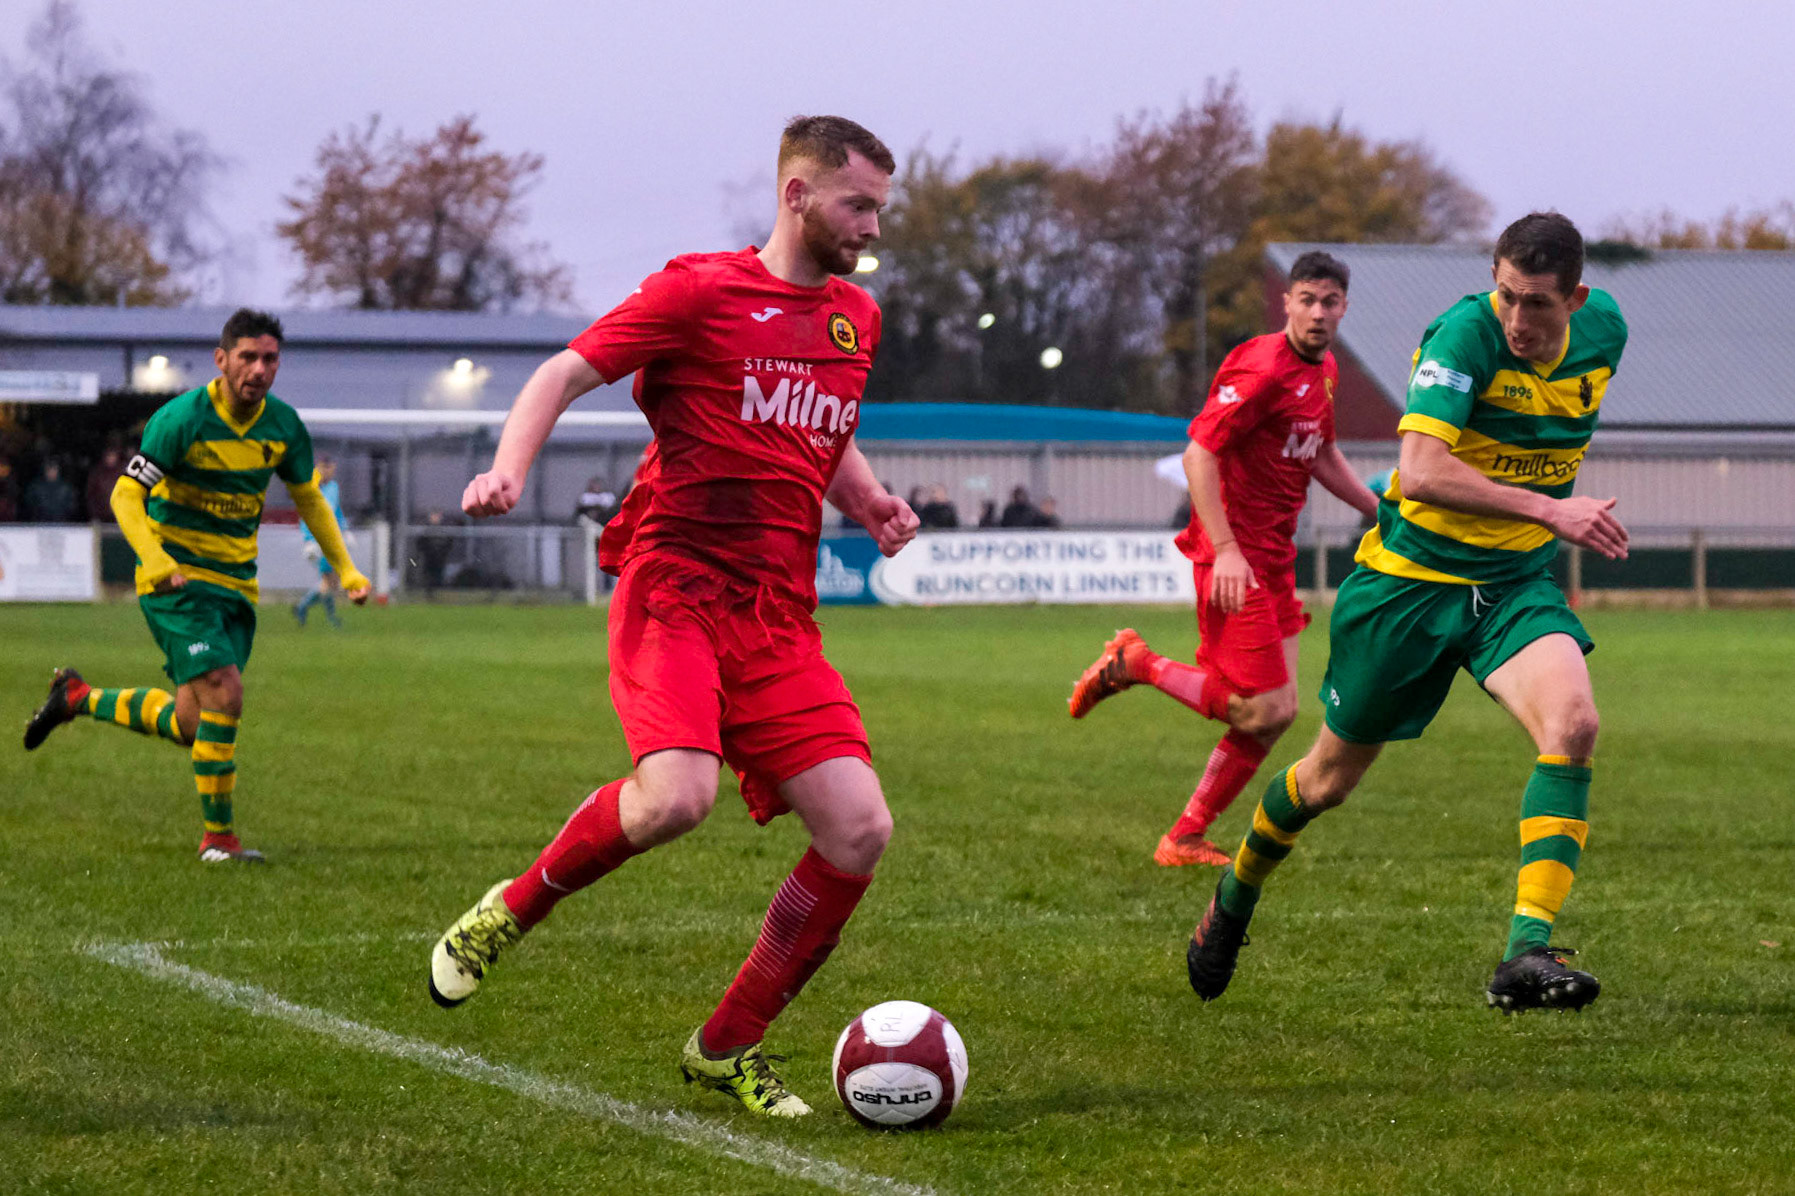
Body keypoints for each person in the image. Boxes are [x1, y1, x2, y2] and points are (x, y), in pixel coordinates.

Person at [426, 115, 919, 1118]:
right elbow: (560, 373)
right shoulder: (700, 291)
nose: (870, 225)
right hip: (679, 590)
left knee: (861, 828)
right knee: (674, 799)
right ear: (795, 195)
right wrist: (507, 468)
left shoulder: (853, 320)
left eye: (878, 207)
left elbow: (821, 432)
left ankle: (726, 1042)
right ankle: (509, 910)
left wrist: (864, 498)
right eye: (856, 204)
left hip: (779, 614)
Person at [1185, 212, 1629, 1013]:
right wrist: (1550, 508)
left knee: (1573, 726)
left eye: (1537, 305)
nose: (1518, 321)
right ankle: (1234, 897)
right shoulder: (1463, 337)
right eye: (1505, 297)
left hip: (1510, 585)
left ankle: (1524, 952)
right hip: (1406, 588)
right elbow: (1419, 473)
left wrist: (1533, 521)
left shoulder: (1605, 331)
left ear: (1578, 298)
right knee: (1324, 783)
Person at [22, 309, 372, 863]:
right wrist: (156, 559)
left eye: (270, 358)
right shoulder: (180, 419)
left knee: (192, 723)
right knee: (225, 692)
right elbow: (124, 497)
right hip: (175, 581)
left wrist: (347, 569)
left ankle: (77, 698)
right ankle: (220, 841)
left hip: (235, 586)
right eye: (248, 357)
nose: (259, 369)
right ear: (221, 359)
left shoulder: (283, 427)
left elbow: (308, 499)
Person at [1069, 251, 1378, 867]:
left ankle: (1183, 836)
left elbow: (1320, 453)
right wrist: (1229, 550)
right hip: (1231, 556)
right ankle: (1137, 663)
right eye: (1307, 300)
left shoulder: (1327, 371)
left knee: (1274, 716)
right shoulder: (1263, 368)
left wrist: (1377, 509)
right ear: (1286, 303)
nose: (1318, 313)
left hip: (1274, 558)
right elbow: (1197, 456)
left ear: (1344, 307)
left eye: (1330, 302)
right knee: (1263, 706)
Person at [294, 456, 350, 628]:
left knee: (332, 580)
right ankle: (328, 617)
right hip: (318, 539)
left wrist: (345, 529)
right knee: (329, 580)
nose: (330, 471)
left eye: (331, 468)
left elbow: (337, 510)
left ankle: (303, 607)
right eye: (326, 468)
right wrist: (309, 540)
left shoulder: (333, 487)